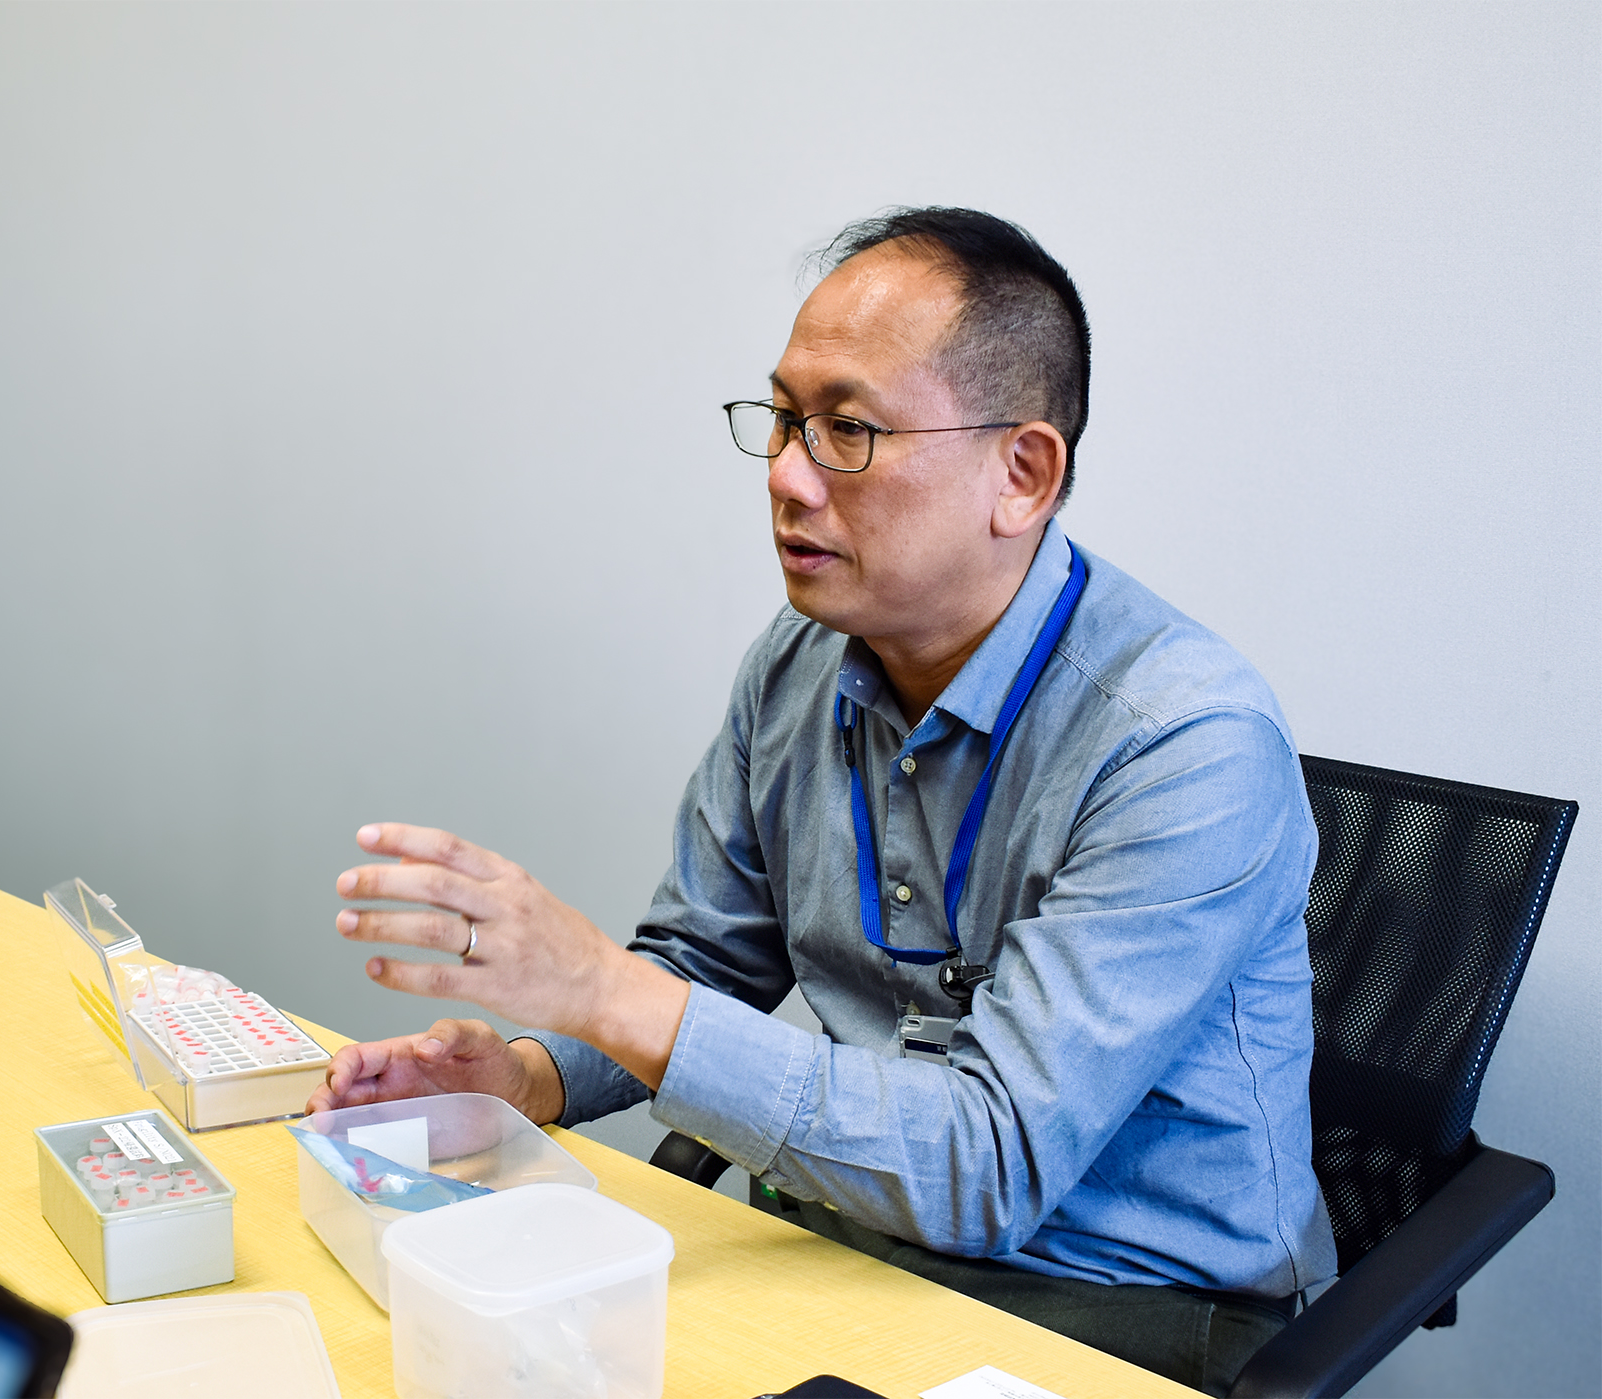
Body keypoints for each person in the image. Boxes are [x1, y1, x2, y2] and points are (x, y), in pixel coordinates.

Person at [309, 207, 1337, 1396]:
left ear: (1021, 474)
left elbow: (988, 1163)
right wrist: (527, 1078)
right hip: (852, 1237)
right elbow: (703, 960)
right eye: (786, 419)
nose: (788, 476)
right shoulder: (800, 662)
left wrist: (597, 985)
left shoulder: (1186, 745)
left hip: (1124, 1311)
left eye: (849, 429)